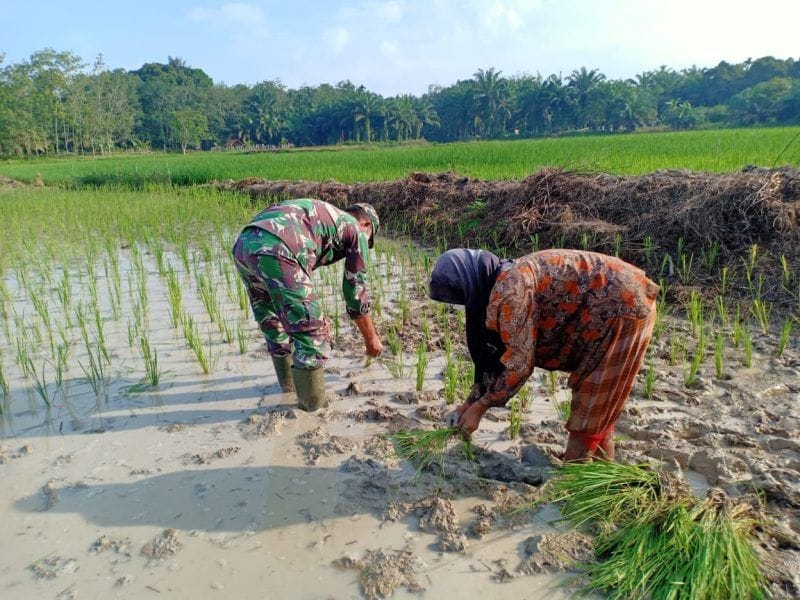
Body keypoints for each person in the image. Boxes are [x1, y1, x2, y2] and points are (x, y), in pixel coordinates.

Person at [429, 248, 659, 461]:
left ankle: (576, 479)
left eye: (460, 297)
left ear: (470, 282)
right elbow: (496, 356)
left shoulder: (511, 292)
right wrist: (467, 405)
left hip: (624, 307)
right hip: (611, 306)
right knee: (599, 406)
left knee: (593, 403)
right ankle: (600, 473)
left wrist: (480, 408)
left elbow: (519, 364)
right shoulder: (497, 283)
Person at [232, 198, 383, 410]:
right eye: (369, 240)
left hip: (244, 245)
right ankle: (312, 408)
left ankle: (288, 388)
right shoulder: (354, 228)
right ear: (366, 225)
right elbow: (356, 291)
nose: (366, 243)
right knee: (310, 331)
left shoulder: (323, 214)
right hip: (280, 247)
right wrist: (371, 339)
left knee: (271, 319)